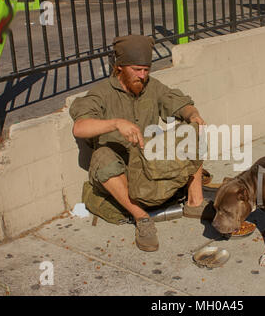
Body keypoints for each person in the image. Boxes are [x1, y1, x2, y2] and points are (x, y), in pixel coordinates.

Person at [69, 35, 212, 252]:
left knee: (192, 133)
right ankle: (142, 218)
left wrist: (193, 116)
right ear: (119, 68)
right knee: (103, 157)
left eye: (146, 70)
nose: (142, 75)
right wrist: (116, 124)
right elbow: (79, 127)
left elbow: (180, 104)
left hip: (148, 162)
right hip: (121, 170)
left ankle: (195, 202)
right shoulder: (102, 93)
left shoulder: (151, 87)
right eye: (136, 70)